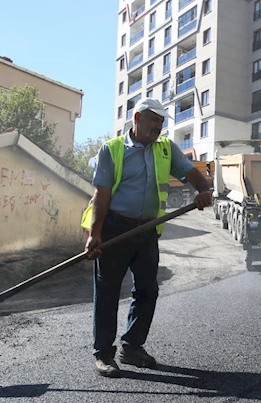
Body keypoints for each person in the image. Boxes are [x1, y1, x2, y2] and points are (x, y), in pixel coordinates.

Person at [83, 98, 212, 378]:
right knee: (107, 293)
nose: (159, 126)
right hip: (116, 229)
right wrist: (96, 234)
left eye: (162, 121)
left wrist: (204, 189)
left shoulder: (165, 148)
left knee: (147, 290)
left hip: (147, 230)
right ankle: (103, 354)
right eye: (155, 120)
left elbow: (192, 173)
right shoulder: (112, 150)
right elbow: (101, 195)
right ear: (137, 118)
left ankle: (131, 347)